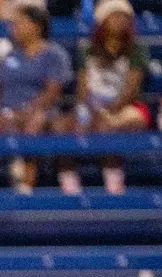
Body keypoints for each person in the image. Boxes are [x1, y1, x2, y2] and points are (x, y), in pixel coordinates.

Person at [0, 5, 71, 193]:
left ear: (37, 26)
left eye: (20, 23)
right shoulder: (7, 54)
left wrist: (26, 110)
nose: (13, 27)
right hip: (6, 111)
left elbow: (52, 92)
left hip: (41, 112)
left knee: (34, 122)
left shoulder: (54, 54)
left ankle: (26, 186)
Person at [59, 0, 147, 195]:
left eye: (125, 17)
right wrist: (90, 107)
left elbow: (132, 89)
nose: (120, 21)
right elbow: (83, 88)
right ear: (103, 21)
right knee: (62, 126)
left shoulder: (136, 49)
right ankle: (68, 179)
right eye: (115, 16)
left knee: (107, 126)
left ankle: (114, 179)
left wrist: (110, 109)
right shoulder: (87, 49)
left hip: (125, 107)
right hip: (92, 104)